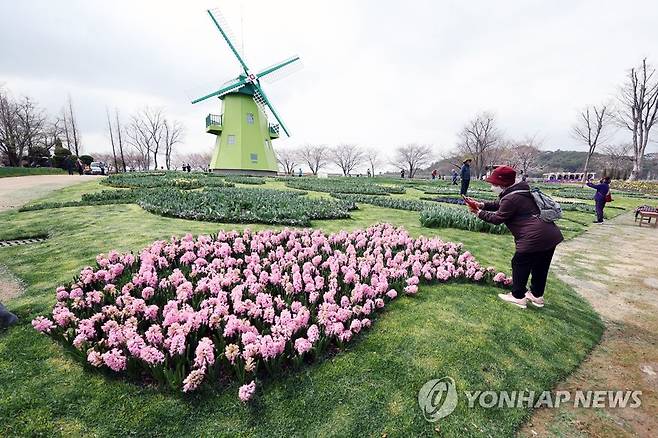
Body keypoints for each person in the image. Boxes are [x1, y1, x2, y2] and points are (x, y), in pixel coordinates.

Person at [465, 165, 563, 309]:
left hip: (532, 237)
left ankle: (518, 296)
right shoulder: (521, 191)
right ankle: (536, 296)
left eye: (494, 184)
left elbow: (497, 219)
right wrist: (481, 204)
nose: (492, 187)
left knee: (519, 263)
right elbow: (500, 205)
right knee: (540, 267)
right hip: (549, 234)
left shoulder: (511, 198)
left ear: (503, 184)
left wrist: (477, 212)